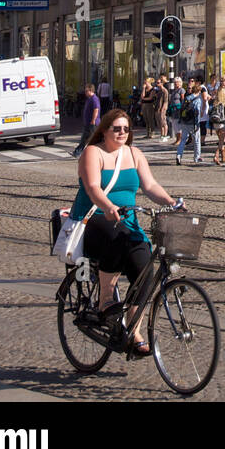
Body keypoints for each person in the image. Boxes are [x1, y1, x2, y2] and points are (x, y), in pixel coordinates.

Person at [67, 109, 179, 354]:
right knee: (115, 237)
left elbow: (150, 185)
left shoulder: (134, 154)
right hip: (94, 220)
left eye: (126, 129)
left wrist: (171, 202)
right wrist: (108, 206)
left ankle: (133, 330)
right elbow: (93, 187)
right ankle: (105, 298)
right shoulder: (92, 153)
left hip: (126, 222)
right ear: (105, 130)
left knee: (145, 263)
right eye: (116, 128)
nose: (121, 133)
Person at [176, 82, 206, 166]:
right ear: (199, 91)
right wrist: (197, 123)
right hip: (193, 122)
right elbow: (197, 112)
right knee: (196, 140)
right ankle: (197, 157)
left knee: (183, 140)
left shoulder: (187, 98)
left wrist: (181, 120)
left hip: (184, 121)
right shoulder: (197, 100)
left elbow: (181, 108)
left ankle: (179, 155)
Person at [72, 84, 101, 159]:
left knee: (89, 138)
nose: (85, 92)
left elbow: (96, 110)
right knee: (86, 138)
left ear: (90, 90)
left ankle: (78, 152)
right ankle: (78, 152)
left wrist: (93, 120)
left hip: (92, 123)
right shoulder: (89, 99)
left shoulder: (94, 99)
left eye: (86, 91)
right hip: (88, 123)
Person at [211, 79, 225, 165]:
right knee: (222, 141)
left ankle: (223, 158)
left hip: (215, 121)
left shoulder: (216, 99)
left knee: (221, 139)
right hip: (222, 121)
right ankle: (216, 155)